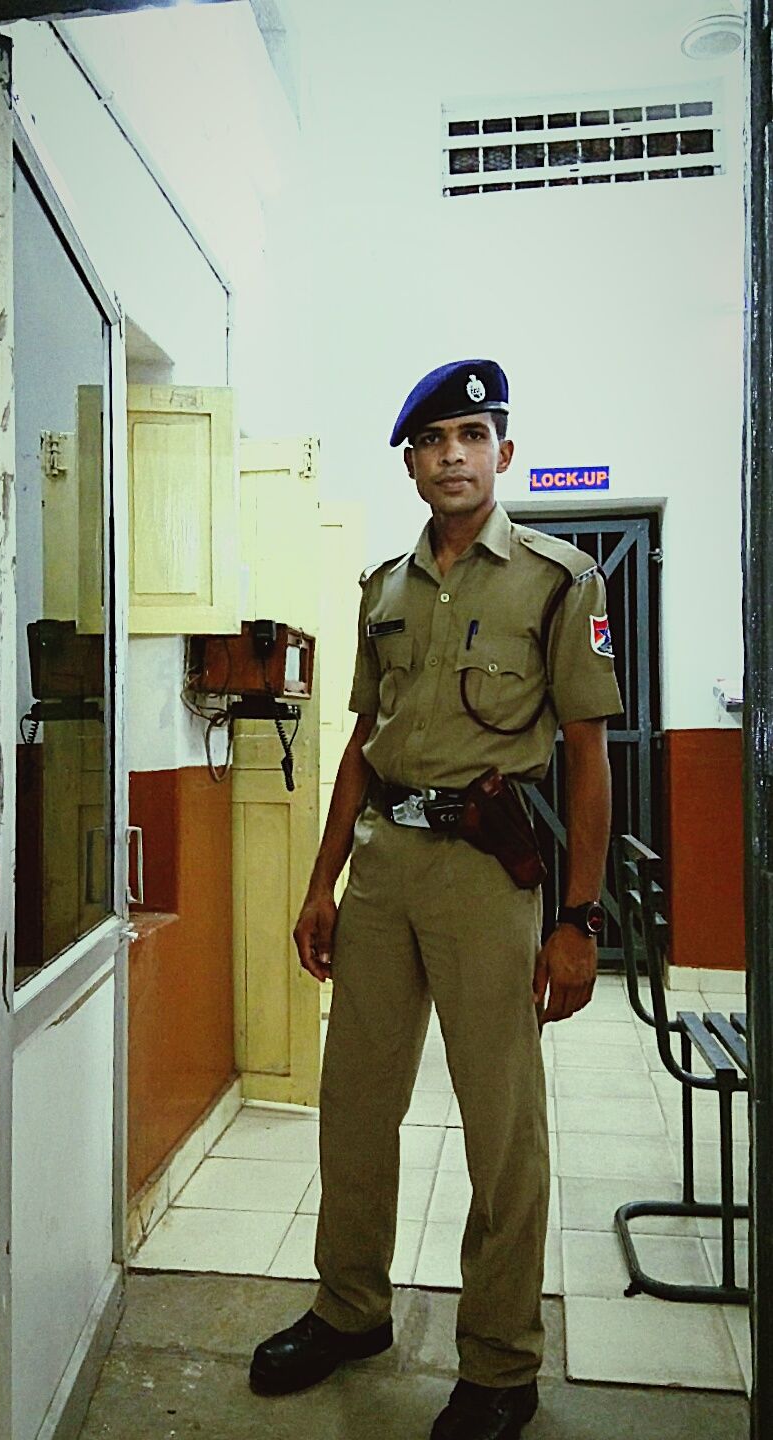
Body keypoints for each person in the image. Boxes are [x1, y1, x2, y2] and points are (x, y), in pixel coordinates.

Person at [249, 359, 623, 1440]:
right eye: (431, 441)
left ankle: (500, 1363)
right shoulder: (383, 590)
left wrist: (579, 919)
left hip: (482, 878)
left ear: (500, 454)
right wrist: (322, 881)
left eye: (470, 434)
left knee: (500, 1124)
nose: (451, 455)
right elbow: (360, 747)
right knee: (355, 1105)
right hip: (380, 872)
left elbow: (590, 762)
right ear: (411, 465)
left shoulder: (558, 580)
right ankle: (349, 1310)